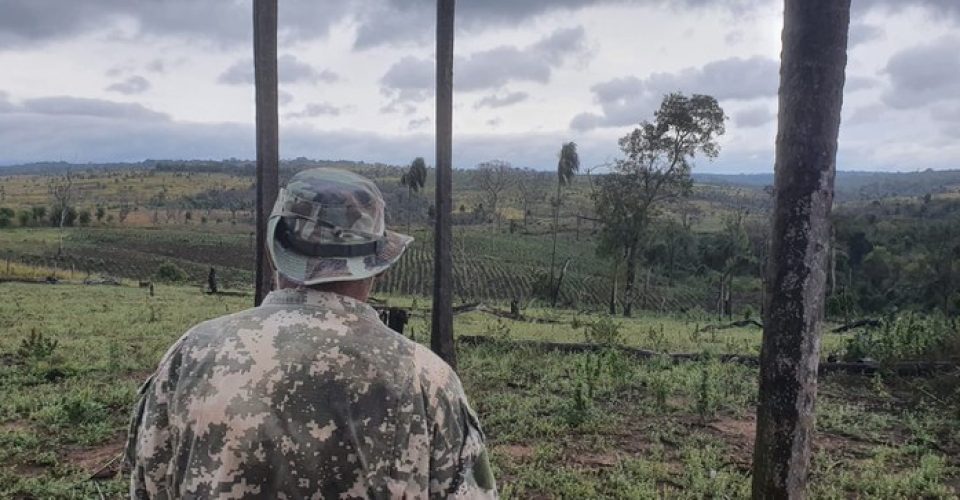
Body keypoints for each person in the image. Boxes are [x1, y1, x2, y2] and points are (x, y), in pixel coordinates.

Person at [126, 168, 497, 499]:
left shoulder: (190, 356)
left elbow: (148, 484)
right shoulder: (428, 380)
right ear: (377, 267)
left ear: (274, 251)